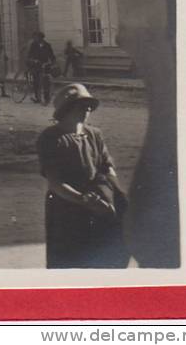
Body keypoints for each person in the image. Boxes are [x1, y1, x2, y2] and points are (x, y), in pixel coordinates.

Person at [36, 83, 129, 268]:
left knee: (104, 255)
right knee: (70, 261)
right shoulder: (51, 138)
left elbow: (107, 167)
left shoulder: (94, 134)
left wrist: (112, 194)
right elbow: (56, 183)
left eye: (89, 106)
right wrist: (83, 199)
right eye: (81, 105)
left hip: (98, 201)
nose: (87, 109)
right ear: (67, 109)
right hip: (67, 207)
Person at [27, 31, 58, 103]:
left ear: (41, 38)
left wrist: (53, 62)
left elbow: (52, 55)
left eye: (37, 37)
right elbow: (30, 55)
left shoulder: (47, 45)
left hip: (45, 66)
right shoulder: (33, 45)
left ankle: (46, 98)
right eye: (35, 38)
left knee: (46, 83)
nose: (36, 39)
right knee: (36, 82)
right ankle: (37, 97)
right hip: (36, 66)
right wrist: (34, 60)